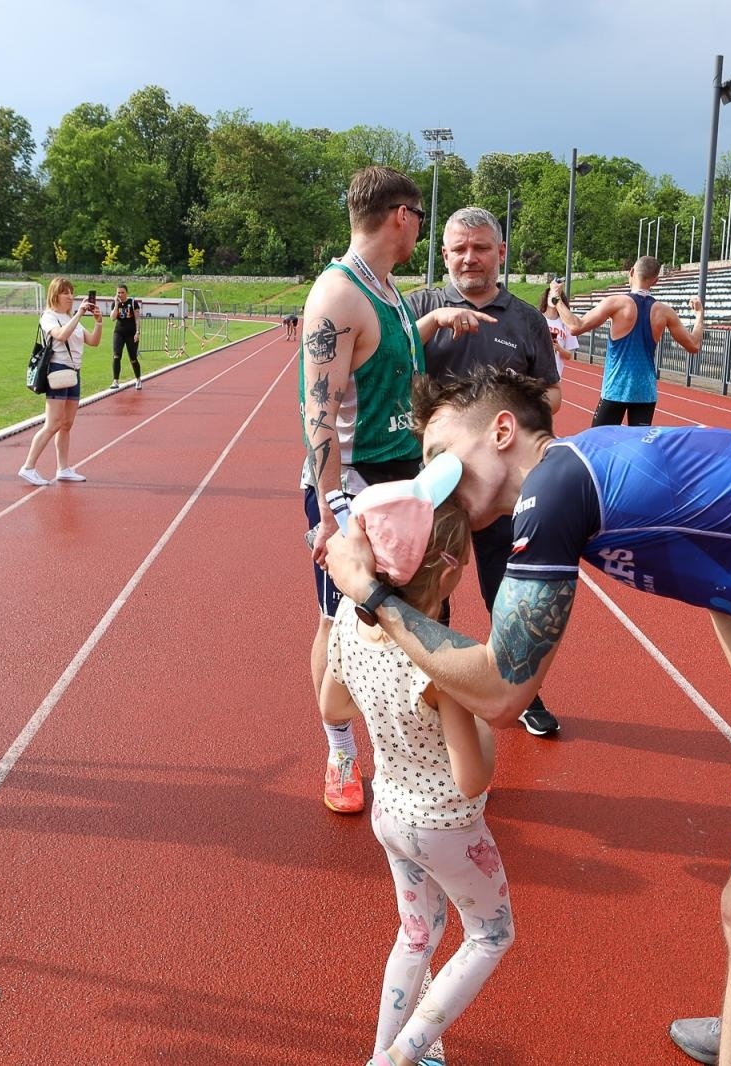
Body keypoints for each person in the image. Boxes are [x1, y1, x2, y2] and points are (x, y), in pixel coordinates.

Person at [324, 366, 731, 1066]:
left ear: (502, 432)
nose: (431, 478)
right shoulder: (586, 472)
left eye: (438, 453)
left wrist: (372, 598)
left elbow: (503, 691)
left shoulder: (556, 490)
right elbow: (730, 586)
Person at [320, 467, 511, 1066]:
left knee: (418, 935)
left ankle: (386, 1049)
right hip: (447, 826)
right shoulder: (441, 665)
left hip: (391, 813)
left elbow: (331, 705)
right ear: (451, 572)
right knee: (490, 935)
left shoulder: (352, 623)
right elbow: (472, 777)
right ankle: (398, 1056)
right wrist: (480, 719)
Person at [300, 165, 428, 815]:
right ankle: (340, 750)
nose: (421, 231)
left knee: (393, 625)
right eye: (421, 218)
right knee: (340, 624)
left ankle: (398, 750)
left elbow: (386, 367)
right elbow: (317, 412)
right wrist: (329, 513)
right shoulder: (338, 295)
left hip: (400, 480)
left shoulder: (391, 291)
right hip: (350, 487)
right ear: (400, 216)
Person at [408, 206, 564, 736]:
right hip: (437, 484)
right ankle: (431, 687)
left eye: (480, 248)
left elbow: (554, 393)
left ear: (500, 253)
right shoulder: (420, 307)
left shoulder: (526, 320)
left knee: (508, 590)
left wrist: (501, 398)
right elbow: (383, 369)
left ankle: (520, 692)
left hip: (501, 486)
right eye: (459, 249)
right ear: (445, 254)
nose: (469, 258)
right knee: (431, 588)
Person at [550, 256, 705, 427]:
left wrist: (556, 298)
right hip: (645, 393)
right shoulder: (664, 312)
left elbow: (575, 326)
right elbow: (693, 345)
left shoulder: (617, 303)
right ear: (655, 281)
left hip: (616, 389)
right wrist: (699, 316)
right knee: (636, 448)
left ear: (631, 272)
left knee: (599, 443)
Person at [19, 278, 102, 486]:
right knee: (53, 423)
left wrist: (99, 322)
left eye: (72, 293)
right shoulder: (49, 317)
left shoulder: (70, 317)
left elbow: (93, 341)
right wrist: (80, 314)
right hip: (57, 371)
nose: (70, 297)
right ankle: (28, 467)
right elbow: (61, 336)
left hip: (74, 373)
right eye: (66, 293)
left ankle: (63, 468)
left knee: (66, 425)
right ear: (55, 294)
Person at [539, 282, 578, 379]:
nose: (552, 298)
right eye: (550, 295)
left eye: (556, 295)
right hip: (536, 373)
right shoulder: (537, 318)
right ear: (546, 298)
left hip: (554, 376)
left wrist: (559, 348)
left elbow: (569, 355)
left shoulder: (565, 324)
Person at [108, 284, 142, 390]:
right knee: (116, 356)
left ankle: (138, 379)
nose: (120, 294)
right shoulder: (115, 303)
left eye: (122, 292)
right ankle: (115, 381)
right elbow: (112, 318)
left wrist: (137, 332)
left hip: (131, 334)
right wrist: (117, 305)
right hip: (119, 333)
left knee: (133, 358)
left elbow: (137, 319)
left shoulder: (133, 303)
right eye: (118, 292)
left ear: (126, 292)